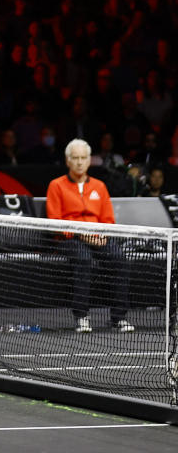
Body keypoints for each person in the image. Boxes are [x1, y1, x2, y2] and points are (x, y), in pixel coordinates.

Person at [46, 139, 133, 334]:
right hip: (69, 239)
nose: (79, 162)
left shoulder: (100, 186)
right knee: (84, 260)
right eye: (75, 158)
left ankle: (119, 318)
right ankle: (81, 317)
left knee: (121, 260)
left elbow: (108, 220)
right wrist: (81, 234)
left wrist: (103, 235)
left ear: (89, 161)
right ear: (67, 161)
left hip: (98, 237)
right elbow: (54, 222)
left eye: (83, 158)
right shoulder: (56, 186)